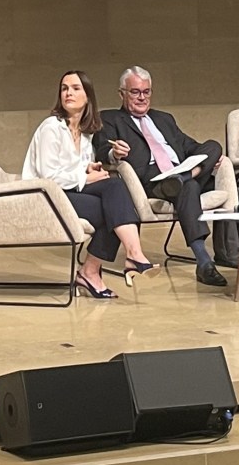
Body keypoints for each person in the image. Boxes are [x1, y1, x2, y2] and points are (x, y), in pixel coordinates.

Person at [22, 70, 158, 299]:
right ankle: (116, 261)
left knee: (115, 191)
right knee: (114, 209)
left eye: (75, 88)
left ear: (88, 97)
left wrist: (90, 170)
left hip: (69, 192)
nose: (68, 93)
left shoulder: (86, 135)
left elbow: (77, 169)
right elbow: (49, 177)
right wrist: (85, 178)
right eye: (65, 88)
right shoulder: (51, 128)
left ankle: (105, 266)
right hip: (45, 196)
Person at [96, 66, 228, 288]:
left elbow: (192, 147)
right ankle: (204, 261)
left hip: (180, 173)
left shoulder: (164, 119)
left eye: (146, 92)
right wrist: (113, 152)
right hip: (152, 182)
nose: (142, 97)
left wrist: (205, 158)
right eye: (135, 92)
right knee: (190, 187)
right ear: (122, 94)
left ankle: (184, 177)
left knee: (213, 146)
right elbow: (101, 150)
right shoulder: (110, 119)